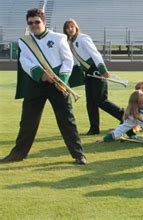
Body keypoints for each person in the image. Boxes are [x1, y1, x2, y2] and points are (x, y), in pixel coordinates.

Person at [1, 8, 86, 164]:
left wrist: (63, 79)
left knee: (67, 120)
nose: (34, 25)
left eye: (37, 22)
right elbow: (24, 61)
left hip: (58, 84)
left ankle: (78, 154)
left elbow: (68, 60)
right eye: (30, 23)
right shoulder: (24, 41)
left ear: (44, 21)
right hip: (36, 84)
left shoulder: (59, 38)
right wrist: (40, 74)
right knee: (28, 120)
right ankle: (18, 154)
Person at [63, 19, 124, 135]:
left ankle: (125, 115)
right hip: (88, 74)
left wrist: (102, 69)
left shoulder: (83, 38)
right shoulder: (69, 43)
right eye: (67, 28)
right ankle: (94, 128)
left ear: (76, 27)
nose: (70, 29)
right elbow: (75, 62)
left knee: (101, 100)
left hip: (96, 70)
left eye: (72, 26)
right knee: (90, 103)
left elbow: (95, 53)